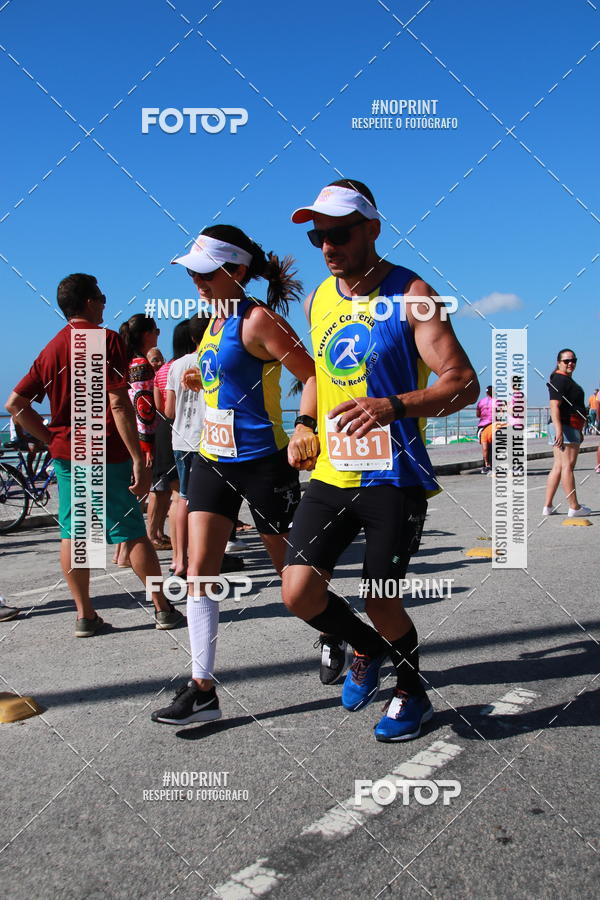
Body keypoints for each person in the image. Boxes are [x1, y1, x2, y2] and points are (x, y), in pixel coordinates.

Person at [281, 179, 479, 742]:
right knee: (297, 592)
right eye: (319, 236)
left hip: (393, 473)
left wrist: (393, 405)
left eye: (338, 233)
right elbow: (320, 373)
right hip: (331, 472)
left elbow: (462, 384)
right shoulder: (320, 297)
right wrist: (301, 424)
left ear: (372, 228)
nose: (327, 246)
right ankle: (364, 647)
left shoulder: (412, 293)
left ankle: (412, 691)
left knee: (380, 596)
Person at [151, 225, 317, 725]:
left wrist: (306, 424)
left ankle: (336, 634)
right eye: (192, 272)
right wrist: (203, 376)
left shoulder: (259, 319)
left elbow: (310, 374)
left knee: (293, 579)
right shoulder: (212, 322)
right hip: (213, 460)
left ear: (237, 271)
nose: (196, 281)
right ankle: (202, 687)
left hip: (264, 462)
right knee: (199, 571)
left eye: (206, 272)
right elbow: (234, 374)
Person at [5, 274, 184, 635]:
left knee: (74, 531)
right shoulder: (108, 341)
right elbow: (119, 404)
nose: (104, 302)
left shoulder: (53, 347)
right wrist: (137, 456)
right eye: (100, 296)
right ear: (88, 302)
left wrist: (50, 437)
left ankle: (85, 615)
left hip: (68, 455)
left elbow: (15, 404)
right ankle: (162, 608)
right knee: (130, 529)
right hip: (108, 452)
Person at [165, 314, 209, 578]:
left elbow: (169, 410)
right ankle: (200, 561)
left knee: (183, 498)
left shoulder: (176, 365)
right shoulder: (215, 361)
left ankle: (179, 561)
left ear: (191, 337)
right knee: (205, 504)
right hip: (207, 439)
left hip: (180, 438)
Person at [543, 349, 591, 517]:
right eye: (566, 361)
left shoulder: (563, 379)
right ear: (558, 362)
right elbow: (554, 405)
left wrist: (579, 430)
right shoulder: (560, 379)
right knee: (568, 467)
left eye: (573, 360)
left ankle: (548, 506)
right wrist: (559, 430)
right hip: (565, 426)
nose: (571, 363)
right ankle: (574, 507)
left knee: (558, 466)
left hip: (570, 427)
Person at [476, 385, 496, 473]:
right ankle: (492, 465)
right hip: (494, 426)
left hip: (482, 426)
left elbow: (478, 414)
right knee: (492, 447)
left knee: (485, 447)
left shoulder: (481, 402)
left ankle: (486, 465)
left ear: (486, 392)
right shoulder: (498, 402)